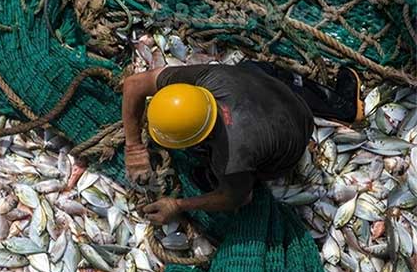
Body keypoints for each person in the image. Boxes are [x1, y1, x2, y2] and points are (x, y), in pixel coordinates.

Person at [122, 60, 363, 225]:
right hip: (276, 95)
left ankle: (340, 109)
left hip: (292, 141)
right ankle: (338, 104)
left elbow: (235, 198)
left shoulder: (232, 156)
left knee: (204, 176)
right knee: (249, 69)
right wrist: (133, 147)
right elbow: (134, 84)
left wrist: (178, 205)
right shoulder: (209, 78)